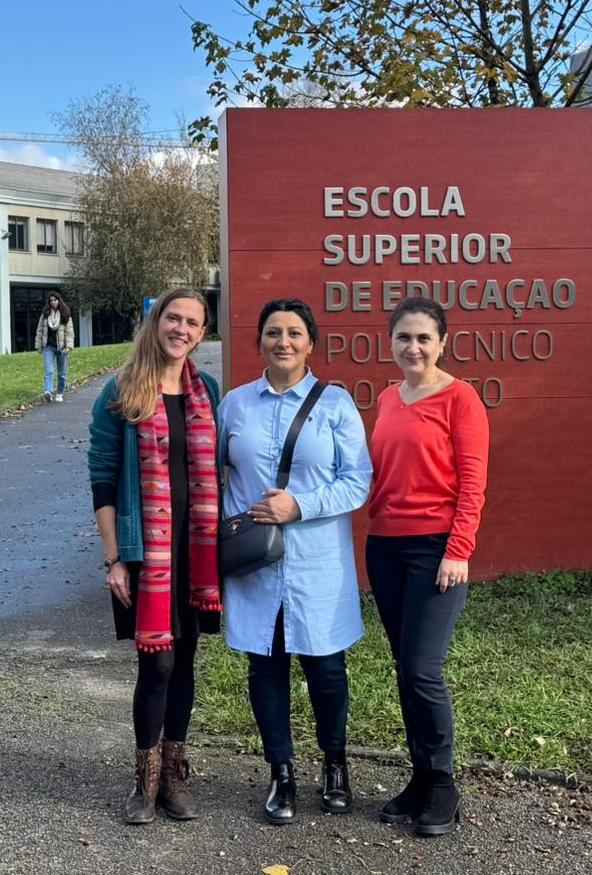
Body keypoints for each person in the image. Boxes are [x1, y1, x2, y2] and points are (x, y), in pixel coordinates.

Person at [218, 298, 372, 825]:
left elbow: (357, 481)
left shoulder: (336, 404)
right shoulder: (235, 404)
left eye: (293, 333)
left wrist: (299, 505)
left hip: (316, 562)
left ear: (311, 343)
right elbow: (212, 474)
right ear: (259, 341)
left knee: (326, 666)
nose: (282, 342)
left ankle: (335, 764)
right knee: (264, 665)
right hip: (255, 563)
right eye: (272, 332)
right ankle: (281, 773)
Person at [87, 288, 221, 825]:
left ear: (202, 333)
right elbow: (102, 477)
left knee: (184, 661)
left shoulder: (207, 391)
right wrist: (113, 559)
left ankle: (174, 777)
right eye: (173, 317)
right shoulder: (122, 390)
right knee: (157, 663)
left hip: (196, 551)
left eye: (192, 322)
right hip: (147, 553)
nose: (181, 329)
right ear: (156, 320)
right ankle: (144, 780)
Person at [365, 295, 489, 838]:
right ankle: (419, 778)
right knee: (404, 667)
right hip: (385, 547)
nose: (412, 347)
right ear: (390, 342)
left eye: (423, 338)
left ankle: (442, 784)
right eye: (403, 337)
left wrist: (459, 549)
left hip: (436, 549)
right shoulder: (389, 398)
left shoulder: (461, 398)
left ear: (442, 343)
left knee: (422, 668)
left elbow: (473, 481)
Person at [35, 292, 74, 402]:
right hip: (48, 347)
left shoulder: (65, 315)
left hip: (62, 348)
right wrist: (38, 345)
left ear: (59, 301)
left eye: (55, 300)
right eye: (51, 300)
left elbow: (69, 333)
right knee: (49, 370)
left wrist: (68, 347)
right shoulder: (45, 315)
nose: (53, 302)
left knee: (62, 373)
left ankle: (60, 392)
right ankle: (48, 391)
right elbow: (40, 330)